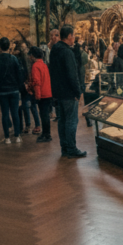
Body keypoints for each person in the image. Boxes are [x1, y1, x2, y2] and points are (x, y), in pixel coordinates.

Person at [50, 25, 86, 158]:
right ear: (69, 36)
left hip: (59, 92)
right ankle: (71, 148)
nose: (75, 38)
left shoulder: (54, 49)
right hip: (69, 93)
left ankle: (64, 147)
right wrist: (78, 92)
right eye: (74, 35)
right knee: (71, 120)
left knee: (62, 120)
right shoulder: (67, 52)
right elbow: (72, 74)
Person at [0, 37, 27, 144]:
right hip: (14, 90)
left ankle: (7, 137)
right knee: (15, 113)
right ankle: (17, 136)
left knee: (5, 114)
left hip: (2, 91)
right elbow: (19, 74)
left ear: (0, 47)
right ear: (9, 46)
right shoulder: (14, 59)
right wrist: (19, 87)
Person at [29, 47, 53, 143]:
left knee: (43, 115)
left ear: (33, 56)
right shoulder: (44, 64)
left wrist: (37, 95)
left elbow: (36, 81)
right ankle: (47, 133)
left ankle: (46, 134)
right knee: (45, 114)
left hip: (42, 93)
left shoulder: (35, 66)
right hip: (48, 92)